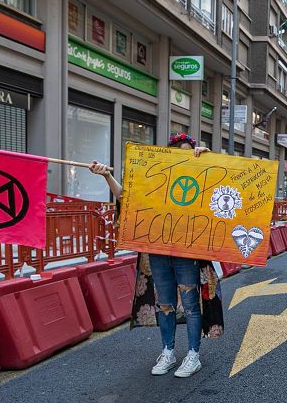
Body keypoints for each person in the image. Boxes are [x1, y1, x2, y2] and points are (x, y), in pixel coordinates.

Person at [88, 132, 222, 379]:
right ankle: (168, 352)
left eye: (187, 152)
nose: (182, 156)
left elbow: (223, 187)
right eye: (177, 152)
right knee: (165, 304)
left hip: (187, 253)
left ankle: (193, 355)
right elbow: (125, 197)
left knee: (191, 306)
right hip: (158, 253)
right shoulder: (154, 178)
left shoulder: (201, 179)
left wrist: (209, 160)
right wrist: (107, 175)